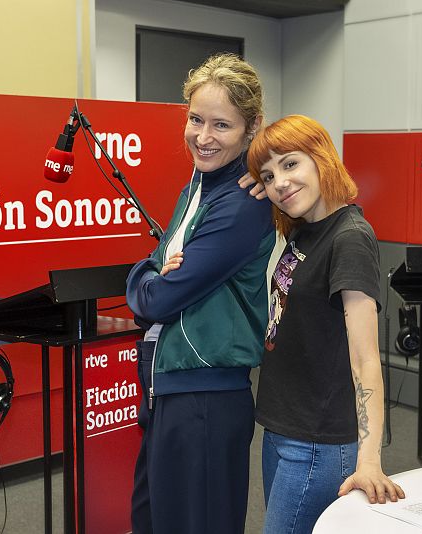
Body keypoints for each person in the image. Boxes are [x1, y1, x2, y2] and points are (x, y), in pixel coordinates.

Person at [125, 53, 275, 534]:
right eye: (195, 119)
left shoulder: (242, 205)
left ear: (251, 128)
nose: (203, 137)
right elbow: (156, 267)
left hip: (205, 398)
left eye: (221, 125)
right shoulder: (198, 187)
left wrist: (143, 281)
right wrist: (150, 274)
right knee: (153, 520)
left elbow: (159, 299)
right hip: (168, 388)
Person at [245, 114, 405, 534]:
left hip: (317, 442)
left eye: (291, 164)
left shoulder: (348, 237)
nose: (279, 182)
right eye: (267, 174)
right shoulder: (305, 229)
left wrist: (368, 460)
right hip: (283, 429)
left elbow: (367, 359)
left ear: (321, 159)